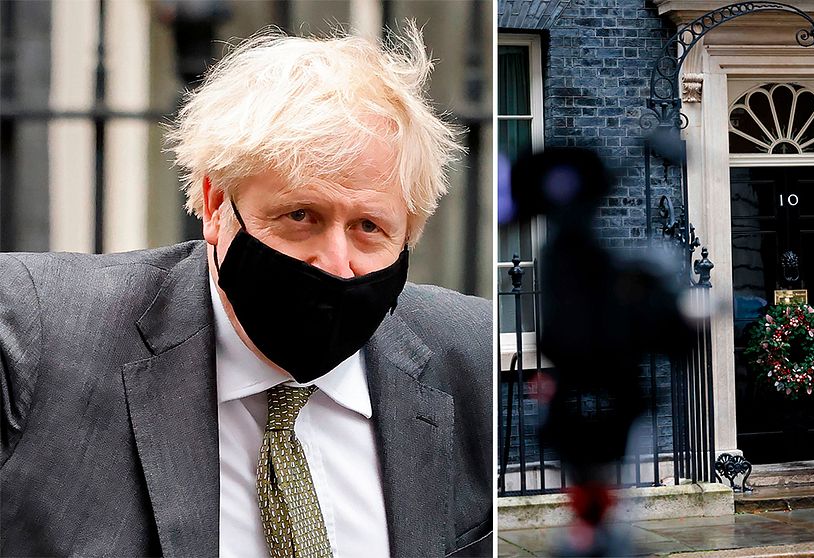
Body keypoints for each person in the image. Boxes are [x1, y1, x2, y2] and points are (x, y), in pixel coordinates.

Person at [0, 25, 492, 558]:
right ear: (216, 205)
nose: (335, 262)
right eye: (300, 215)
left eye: (369, 227)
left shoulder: (474, 356)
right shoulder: (41, 332)